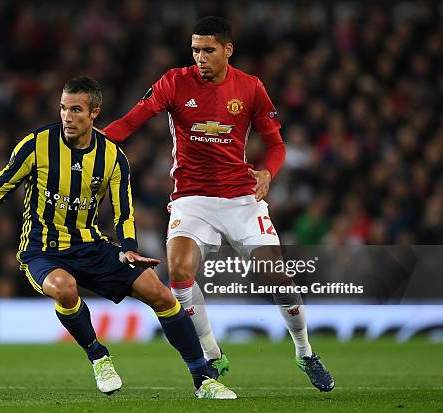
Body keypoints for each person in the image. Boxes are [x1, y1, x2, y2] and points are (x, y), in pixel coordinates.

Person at [0, 76, 236, 399]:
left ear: (94, 112)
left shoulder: (113, 157)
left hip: (91, 245)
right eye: (63, 108)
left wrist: (129, 249)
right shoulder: (37, 145)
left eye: (76, 110)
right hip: (42, 250)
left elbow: (123, 211)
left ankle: (203, 378)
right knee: (64, 288)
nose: (67, 117)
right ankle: (98, 356)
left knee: (161, 294)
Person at [104, 17, 334, 392]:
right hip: (191, 198)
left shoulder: (250, 88)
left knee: (276, 276)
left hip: (242, 198)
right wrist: (92, 143)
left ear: (228, 50)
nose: (200, 57)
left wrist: (268, 174)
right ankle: (212, 354)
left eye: (208, 50)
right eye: (195, 50)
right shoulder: (175, 82)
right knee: (179, 272)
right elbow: (131, 121)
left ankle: (305, 352)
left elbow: (276, 146)